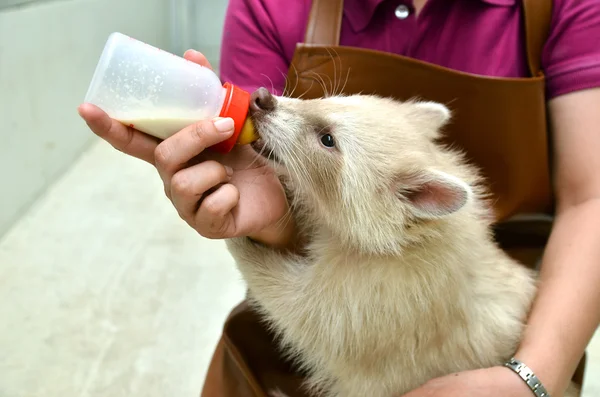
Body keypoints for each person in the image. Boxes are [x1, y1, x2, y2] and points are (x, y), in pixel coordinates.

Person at [78, 0, 600, 395]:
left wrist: (531, 378)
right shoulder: (270, 7)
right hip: (318, 271)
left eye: (328, 139)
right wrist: (262, 221)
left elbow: (591, 199)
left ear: (418, 199)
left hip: (538, 328)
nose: (271, 103)